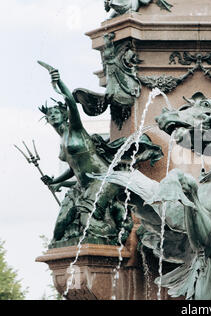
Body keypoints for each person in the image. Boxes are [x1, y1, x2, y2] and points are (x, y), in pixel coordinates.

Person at [39, 65, 163, 246]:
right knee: (62, 223)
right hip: (85, 185)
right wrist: (56, 181)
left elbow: (72, 103)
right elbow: (75, 168)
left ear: (65, 114)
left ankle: (114, 238)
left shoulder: (75, 130)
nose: (53, 116)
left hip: (105, 179)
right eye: (50, 114)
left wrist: (58, 82)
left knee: (88, 221)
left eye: (57, 112)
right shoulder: (63, 141)